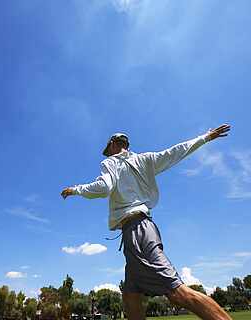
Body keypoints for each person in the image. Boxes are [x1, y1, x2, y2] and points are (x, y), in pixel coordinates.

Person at [61, 124, 231, 320]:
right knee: (131, 296)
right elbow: (175, 152)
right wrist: (205, 137)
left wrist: (76, 189)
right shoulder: (145, 159)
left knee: (176, 292)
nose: (108, 154)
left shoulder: (110, 163)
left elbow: (104, 187)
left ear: (114, 144)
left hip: (136, 230)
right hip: (141, 227)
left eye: (108, 150)